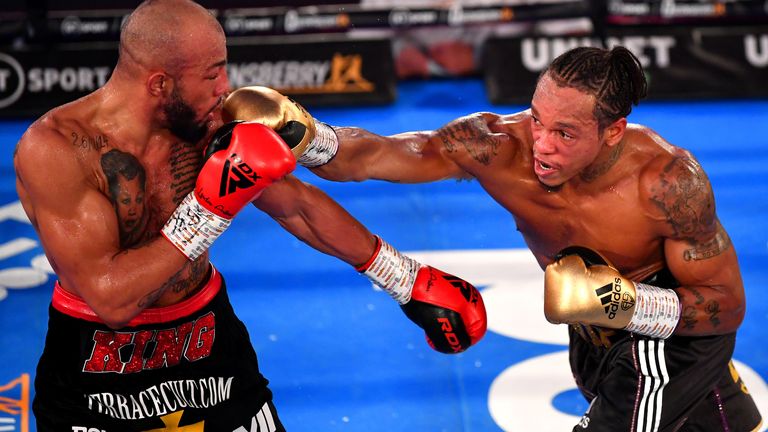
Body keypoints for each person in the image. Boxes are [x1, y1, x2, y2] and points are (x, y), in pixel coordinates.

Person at [226, 46, 763, 431]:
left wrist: (623, 303)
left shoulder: (668, 183)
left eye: (566, 133)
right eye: (538, 117)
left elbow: (726, 307)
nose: (542, 146)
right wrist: (302, 132)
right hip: (597, 341)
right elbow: (373, 155)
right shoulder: (495, 145)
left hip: (666, 343)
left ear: (614, 132)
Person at [12, 1, 486, 430]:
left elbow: (296, 206)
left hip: (207, 345)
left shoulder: (207, 122)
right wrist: (208, 209)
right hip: (97, 370)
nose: (225, 87)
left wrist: (405, 278)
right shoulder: (57, 151)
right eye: (212, 74)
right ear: (160, 83)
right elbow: (111, 302)